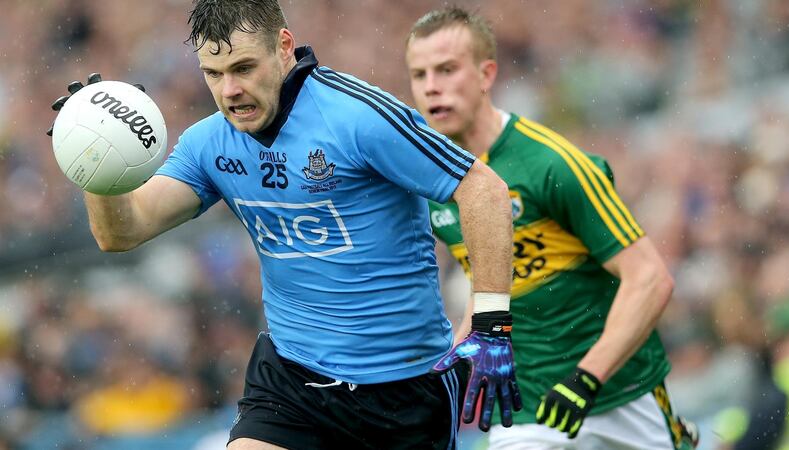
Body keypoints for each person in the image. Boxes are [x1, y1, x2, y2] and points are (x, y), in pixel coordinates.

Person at [47, 1, 523, 449]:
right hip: (293, 380)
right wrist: (95, 164)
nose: (229, 89)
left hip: (404, 388)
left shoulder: (359, 117)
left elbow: (483, 189)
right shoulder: (208, 143)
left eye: (243, 68)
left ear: (283, 47)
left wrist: (491, 322)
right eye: (213, 74)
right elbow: (122, 232)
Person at [405, 7, 699, 450]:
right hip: (525, 404)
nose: (431, 86)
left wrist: (587, 377)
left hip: (622, 389)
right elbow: (489, 285)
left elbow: (651, 279)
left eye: (446, 69)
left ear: (487, 75)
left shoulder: (553, 165)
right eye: (419, 73)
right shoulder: (435, 184)